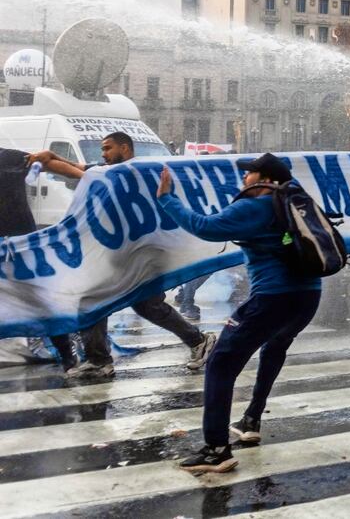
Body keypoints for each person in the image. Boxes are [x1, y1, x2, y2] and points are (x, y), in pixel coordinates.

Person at [156, 152, 323, 473]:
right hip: (308, 296)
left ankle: (217, 449)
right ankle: (251, 418)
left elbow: (205, 227)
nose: (244, 180)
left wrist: (167, 199)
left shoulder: (256, 205)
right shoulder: (297, 199)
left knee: (220, 362)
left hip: (273, 298)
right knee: (275, 347)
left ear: (265, 180)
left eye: (250, 175)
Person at [31, 132, 216, 379]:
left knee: (100, 300)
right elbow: (76, 168)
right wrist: (47, 157)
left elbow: (78, 172)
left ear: (125, 148)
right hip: (123, 254)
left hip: (142, 254)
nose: (103, 154)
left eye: (107, 148)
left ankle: (101, 360)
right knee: (139, 305)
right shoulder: (108, 171)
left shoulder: (138, 172)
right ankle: (197, 341)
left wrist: (47, 159)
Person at [1, 146, 86, 370]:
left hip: (19, 244)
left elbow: (47, 163)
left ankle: (66, 353)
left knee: (40, 301)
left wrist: (84, 176)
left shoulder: (9, 157)